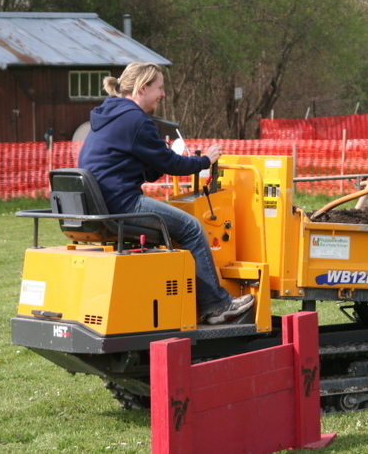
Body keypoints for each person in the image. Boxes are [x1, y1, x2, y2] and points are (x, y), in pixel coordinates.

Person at [78, 62, 254, 325]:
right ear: (142, 87)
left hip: (101, 203)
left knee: (174, 227)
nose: (163, 94)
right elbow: (173, 165)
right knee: (191, 228)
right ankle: (217, 305)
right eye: (159, 87)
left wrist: (163, 156)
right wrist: (205, 160)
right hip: (121, 204)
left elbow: (149, 168)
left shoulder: (109, 115)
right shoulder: (136, 120)